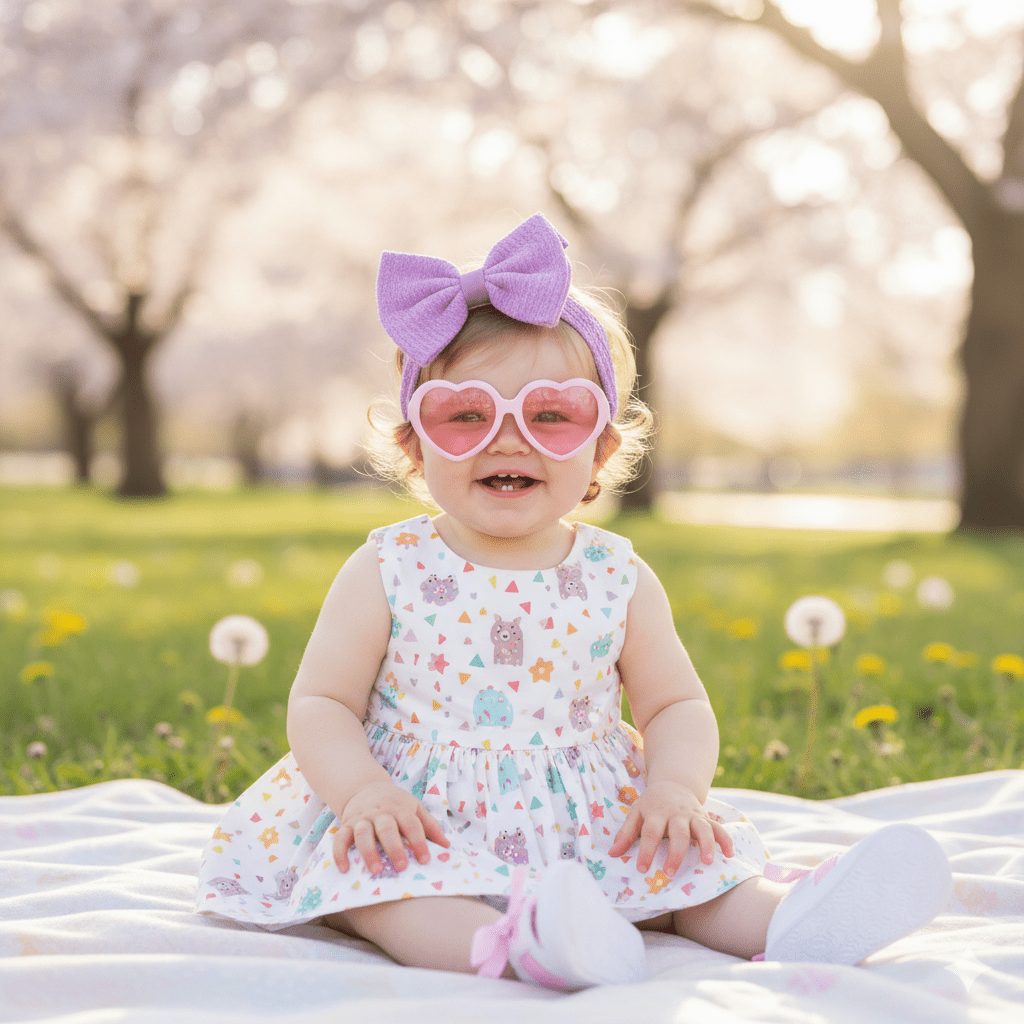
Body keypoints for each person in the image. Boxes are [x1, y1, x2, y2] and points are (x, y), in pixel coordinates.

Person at [195, 214, 953, 989]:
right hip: (419, 817)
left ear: (600, 449)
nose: (509, 440)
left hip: (589, 818)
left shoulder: (616, 574)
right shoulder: (388, 566)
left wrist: (673, 793)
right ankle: (519, 942)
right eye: (467, 416)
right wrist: (363, 793)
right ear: (415, 445)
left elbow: (674, 706)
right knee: (385, 896)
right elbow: (322, 700)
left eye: (551, 414)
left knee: (682, 876)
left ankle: (789, 918)